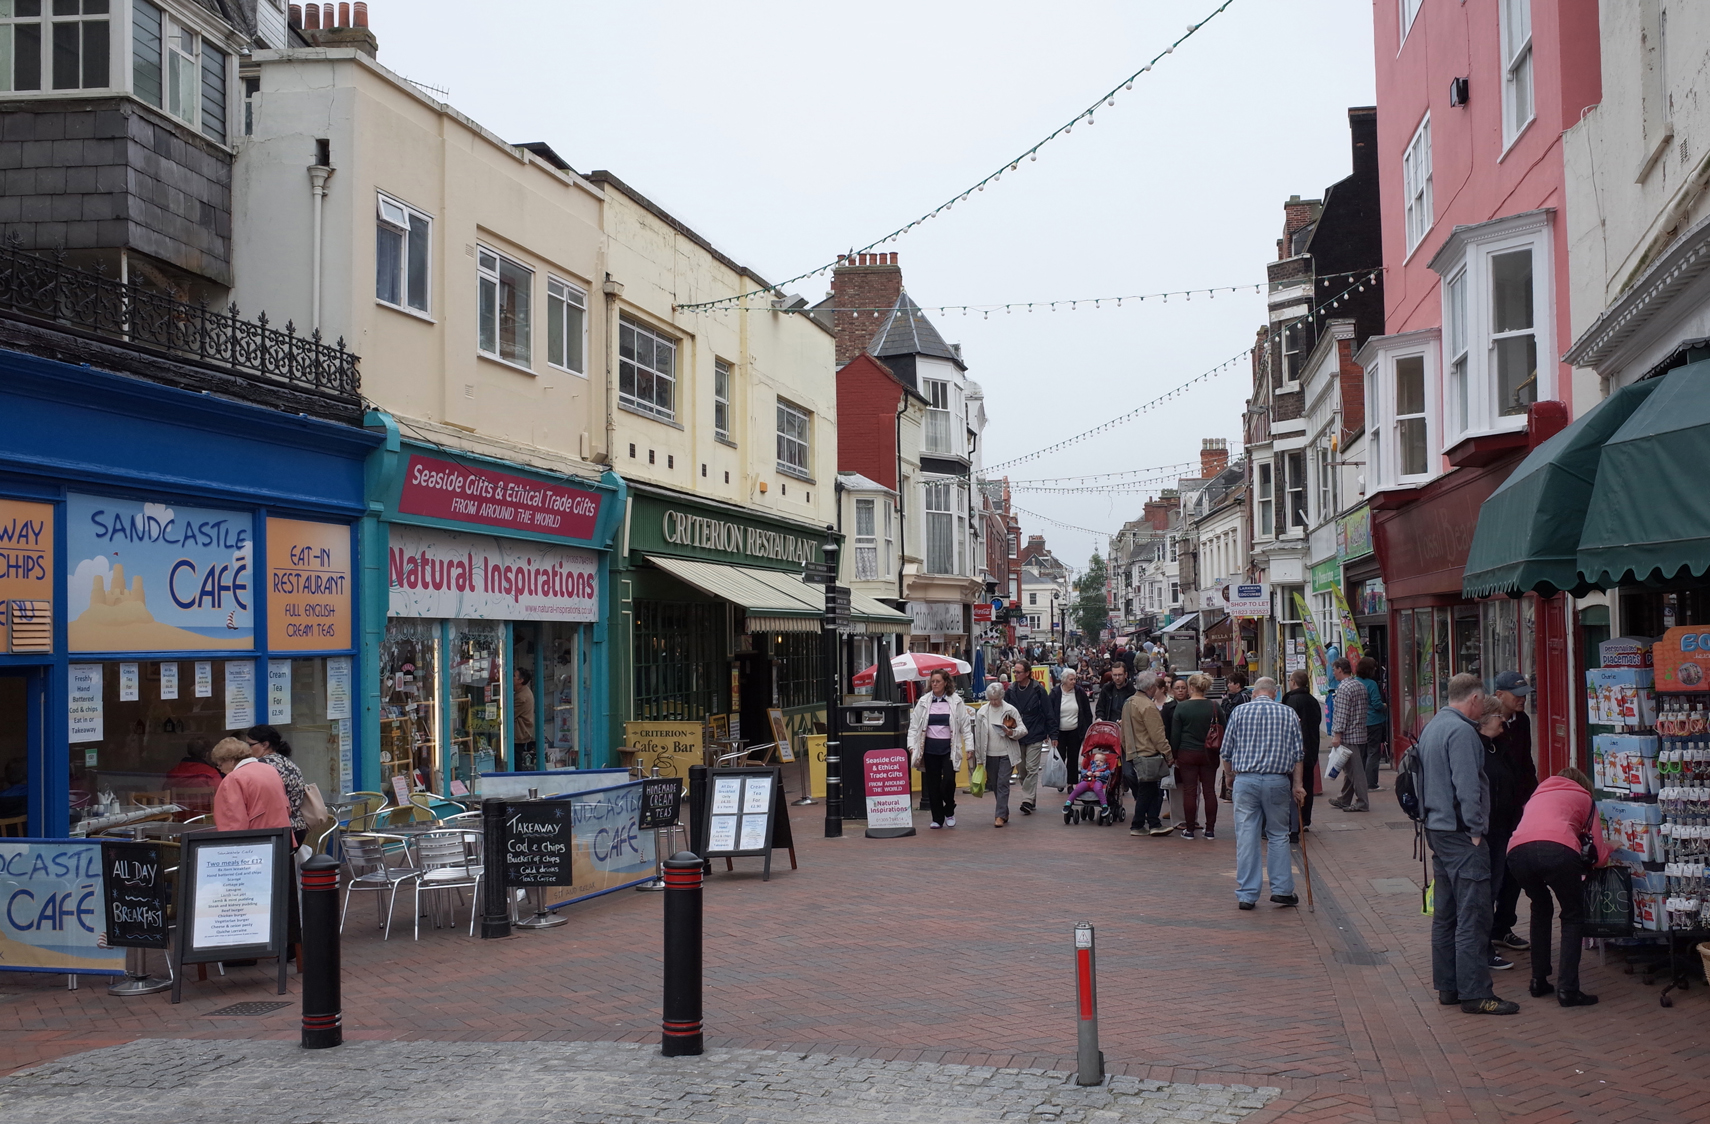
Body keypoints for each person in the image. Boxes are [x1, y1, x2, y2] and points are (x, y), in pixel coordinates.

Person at [1419, 672, 1518, 1015]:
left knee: (1446, 915)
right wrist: (1477, 829)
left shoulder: (1433, 726)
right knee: (1473, 917)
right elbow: (1468, 787)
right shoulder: (1462, 732)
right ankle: (1476, 993)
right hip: (1462, 835)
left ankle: (1449, 986)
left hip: (1438, 829)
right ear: (1475, 699)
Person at [1507, 766, 1609, 1007]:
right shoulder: (1585, 798)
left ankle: (1538, 980)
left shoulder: (1536, 796)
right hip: (1559, 850)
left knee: (1540, 907)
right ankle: (1568, 989)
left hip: (1517, 853)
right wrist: (1613, 846)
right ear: (1583, 784)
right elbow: (1599, 856)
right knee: (1572, 916)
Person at [1218, 677, 1306, 909]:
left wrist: (1229, 776)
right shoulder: (1288, 713)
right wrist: (1298, 785)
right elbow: (1298, 754)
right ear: (1274, 693)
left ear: (1255, 693)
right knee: (1278, 834)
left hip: (1245, 779)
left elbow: (1226, 751)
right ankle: (1282, 889)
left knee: (1247, 836)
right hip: (1277, 780)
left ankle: (1247, 894)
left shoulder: (1238, 712)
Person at [1489, 671, 1539, 954]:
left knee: (1514, 870)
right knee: (1493, 870)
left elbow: (1526, 762)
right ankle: (1485, 935)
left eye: (1524, 694)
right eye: (1516, 694)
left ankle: (1502, 927)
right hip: (1495, 811)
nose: (1522, 699)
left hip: (1518, 809)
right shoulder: (1487, 725)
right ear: (1499, 695)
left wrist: (1533, 799)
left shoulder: (1523, 723)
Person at [1476, 698, 1525, 973]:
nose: (1502, 721)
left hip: (1504, 829)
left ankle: (1493, 938)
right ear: (1484, 719)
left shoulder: (1499, 746)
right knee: (1484, 891)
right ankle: (1483, 950)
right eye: (1497, 716)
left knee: (1499, 885)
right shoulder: (1476, 749)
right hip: (1486, 833)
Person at [907, 668, 973, 829]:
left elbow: (965, 725)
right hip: (930, 749)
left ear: (945, 683)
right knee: (933, 784)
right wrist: (911, 746)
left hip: (949, 749)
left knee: (949, 782)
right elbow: (914, 726)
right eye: (932, 681)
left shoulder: (955, 701)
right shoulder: (924, 701)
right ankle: (937, 818)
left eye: (938, 681)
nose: (934, 684)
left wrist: (969, 747)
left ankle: (949, 810)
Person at [1121, 670, 1175, 836]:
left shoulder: (1129, 702)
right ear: (1151, 687)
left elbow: (1123, 730)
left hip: (1134, 751)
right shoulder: (1147, 705)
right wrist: (1168, 753)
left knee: (1149, 788)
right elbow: (1157, 734)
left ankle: (1151, 822)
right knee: (1149, 789)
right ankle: (1141, 824)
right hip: (1147, 752)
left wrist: (1127, 748)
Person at [1169, 673, 1221, 840]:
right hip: (1209, 754)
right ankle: (1210, 830)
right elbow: (1224, 729)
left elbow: (1175, 735)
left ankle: (1189, 829)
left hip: (1187, 753)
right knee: (1209, 791)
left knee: (1189, 791)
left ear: (1191, 688)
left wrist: (1174, 755)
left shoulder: (1182, 707)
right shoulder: (1214, 706)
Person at [972, 681, 1026, 827]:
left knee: (1002, 783)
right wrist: (978, 757)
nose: (994, 702)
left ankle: (999, 816)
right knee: (995, 784)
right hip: (988, 753)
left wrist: (1011, 732)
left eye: (997, 699)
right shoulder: (982, 712)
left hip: (1006, 753)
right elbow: (978, 735)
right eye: (991, 699)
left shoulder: (1010, 710)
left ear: (1002, 696)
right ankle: (1004, 811)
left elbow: (1023, 729)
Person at [211, 736, 291, 831]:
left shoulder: (233, 779)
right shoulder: (270, 770)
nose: (221, 770)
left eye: (220, 765)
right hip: (281, 836)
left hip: (256, 839)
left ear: (231, 761)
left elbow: (232, 822)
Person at [246, 725, 308, 845]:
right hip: (298, 827)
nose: (247, 749)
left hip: (275, 830)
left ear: (265, 745)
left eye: (250, 745)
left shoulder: (260, 766)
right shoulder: (288, 763)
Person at [1280, 671, 1323, 841]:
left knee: (1295, 784)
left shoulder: (1291, 700)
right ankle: (1305, 818)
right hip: (1311, 747)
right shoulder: (1312, 700)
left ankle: (1295, 820)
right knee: (1308, 783)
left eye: (1290, 680)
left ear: (1294, 682)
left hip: (1296, 749)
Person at [1007, 660, 1052, 815]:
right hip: (1018, 736)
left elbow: (1048, 712)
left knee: (1032, 769)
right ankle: (1031, 798)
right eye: (1014, 672)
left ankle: (1026, 799)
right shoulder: (1011, 690)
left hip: (1035, 734)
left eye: (1018, 672)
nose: (1016, 674)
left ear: (1027, 673)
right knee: (1023, 770)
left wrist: (1052, 734)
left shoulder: (1038, 689)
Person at [1328, 658, 1370, 813]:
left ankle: (1362, 802)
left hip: (1348, 735)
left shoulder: (1344, 688)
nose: (1333, 673)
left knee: (1355, 771)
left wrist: (1337, 734)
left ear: (1340, 669)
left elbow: (1342, 714)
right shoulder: (1359, 685)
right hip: (1359, 732)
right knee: (1350, 769)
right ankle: (1344, 799)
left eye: (1334, 670)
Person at [1048, 668, 1094, 786]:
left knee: (1073, 758)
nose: (1074, 682)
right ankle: (1060, 780)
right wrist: (1051, 733)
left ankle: (1071, 783)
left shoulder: (1079, 692)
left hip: (1075, 731)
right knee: (1060, 757)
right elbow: (1050, 714)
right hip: (1059, 732)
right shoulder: (1055, 693)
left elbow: (1087, 712)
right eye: (1071, 679)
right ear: (1064, 680)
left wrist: (1086, 730)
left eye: (1075, 679)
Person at [163, 738, 221, 815]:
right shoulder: (210, 773)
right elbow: (221, 795)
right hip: (204, 817)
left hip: (178, 817)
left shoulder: (174, 772)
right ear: (207, 754)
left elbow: (165, 796)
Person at [1357, 657, 1388, 791]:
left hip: (1361, 722)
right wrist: (1385, 705)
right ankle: (1371, 783)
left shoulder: (1355, 682)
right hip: (1374, 721)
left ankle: (1362, 780)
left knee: (1362, 753)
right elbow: (1376, 704)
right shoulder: (1371, 684)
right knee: (1373, 752)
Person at [1064, 746, 1117, 814]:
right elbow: (1083, 771)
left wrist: (1100, 774)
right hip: (1087, 781)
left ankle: (1104, 805)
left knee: (1098, 789)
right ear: (1094, 761)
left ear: (1104, 762)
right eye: (1097, 761)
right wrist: (1086, 773)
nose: (1098, 762)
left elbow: (1108, 774)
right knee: (1078, 788)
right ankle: (1068, 802)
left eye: (1101, 761)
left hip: (1098, 781)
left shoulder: (1105, 768)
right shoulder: (1091, 766)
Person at [514, 668, 537, 771]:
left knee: (515, 759)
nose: (511, 678)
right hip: (522, 732)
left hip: (519, 733)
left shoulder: (522, 697)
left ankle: (516, 780)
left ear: (520, 680)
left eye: (514, 676)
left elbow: (511, 714)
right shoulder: (523, 692)